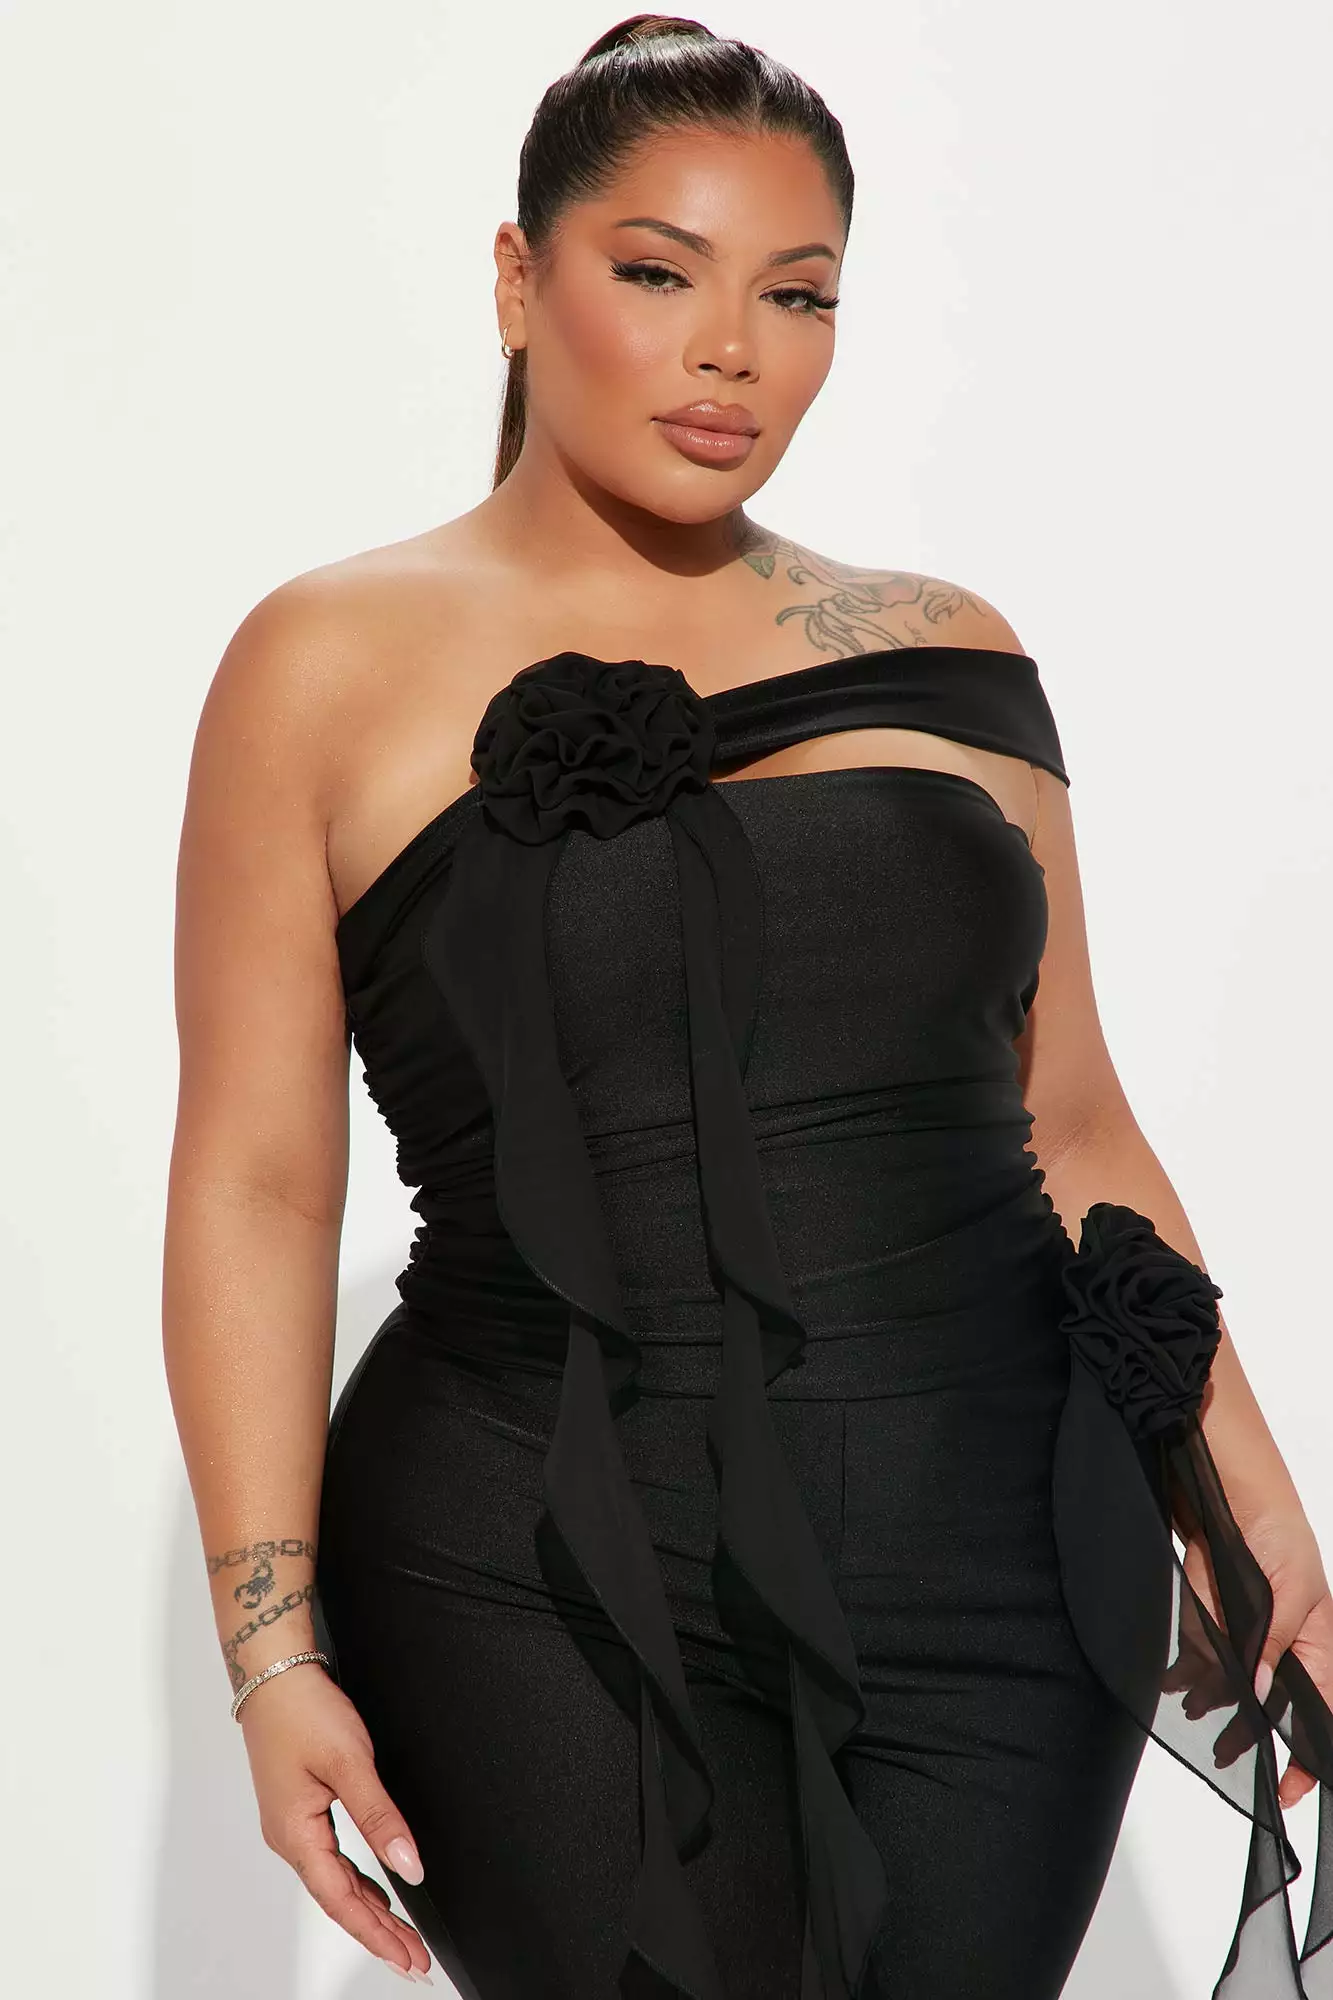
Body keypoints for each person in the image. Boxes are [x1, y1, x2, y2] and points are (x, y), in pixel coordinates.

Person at [163, 15, 1333, 1999]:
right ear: (518, 279)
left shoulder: (951, 653)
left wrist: (1246, 1488)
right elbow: (260, 1184)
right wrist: (271, 1653)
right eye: (658, 272)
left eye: (798, 295)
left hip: (998, 1557)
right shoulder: (326, 662)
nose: (731, 352)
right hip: (532, 1565)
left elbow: (1070, 1120)